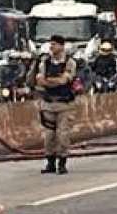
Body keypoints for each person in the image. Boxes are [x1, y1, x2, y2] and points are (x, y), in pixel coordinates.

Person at [33, 36, 81, 174]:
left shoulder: (69, 62)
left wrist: (49, 81)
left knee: (63, 135)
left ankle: (62, 162)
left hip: (65, 104)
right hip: (48, 104)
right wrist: (52, 82)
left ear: (61, 46)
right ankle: (50, 162)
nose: (51, 47)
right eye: (50, 44)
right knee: (49, 136)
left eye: (54, 44)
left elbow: (64, 80)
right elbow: (40, 80)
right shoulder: (45, 62)